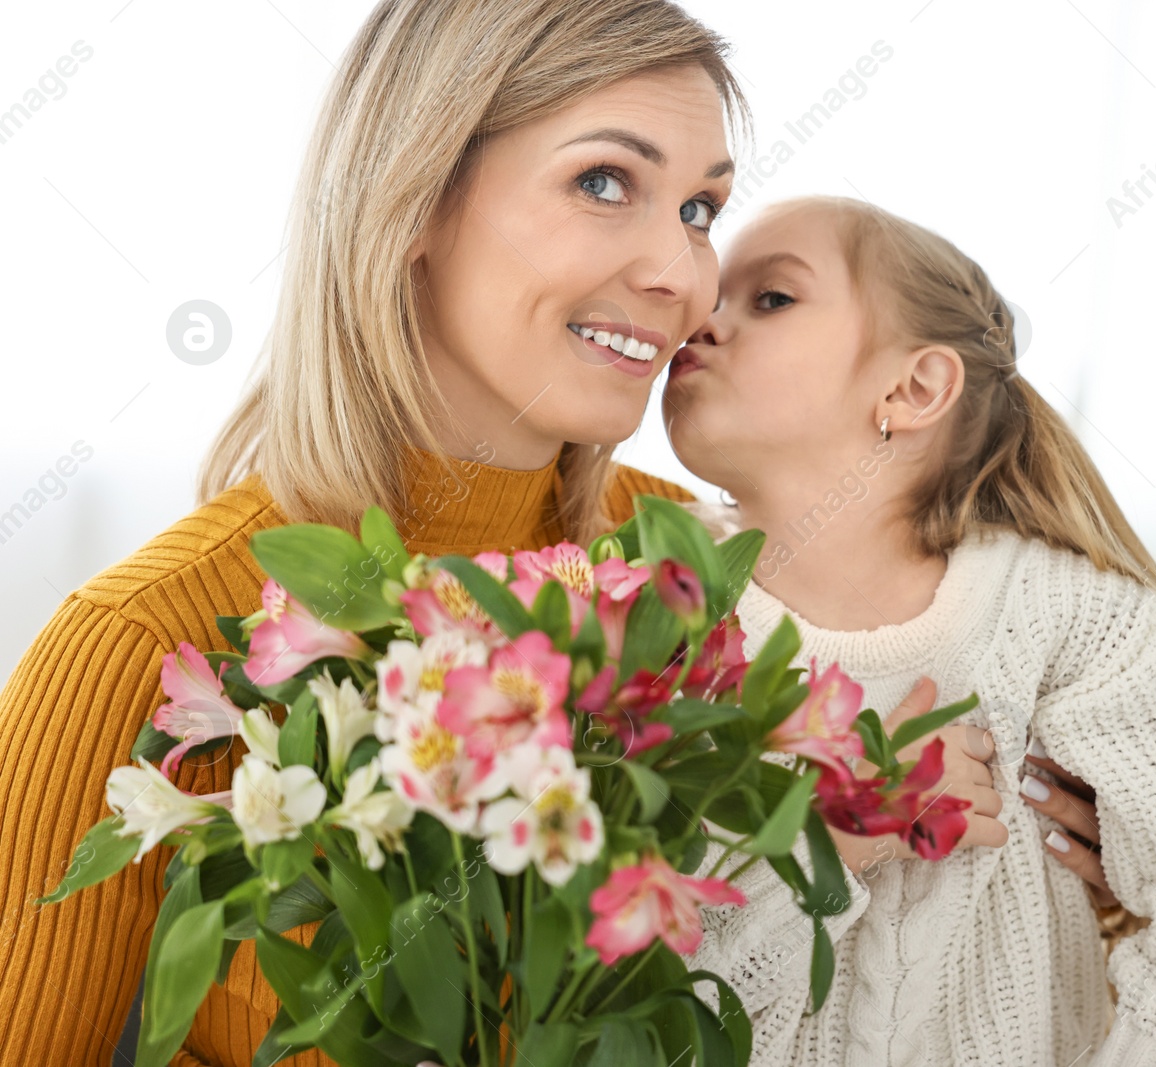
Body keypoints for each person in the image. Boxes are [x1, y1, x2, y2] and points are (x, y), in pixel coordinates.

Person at [0, 2, 740, 1063]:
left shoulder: (696, 568)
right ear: (416, 200)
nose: (682, 274)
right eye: (605, 182)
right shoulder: (135, 644)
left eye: (702, 206)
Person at [666, 195, 1156, 1067]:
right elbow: (636, 978)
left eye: (771, 298)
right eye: (714, 296)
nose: (700, 317)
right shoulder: (655, 617)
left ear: (913, 387)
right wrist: (826, 837)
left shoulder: (1066, 620)